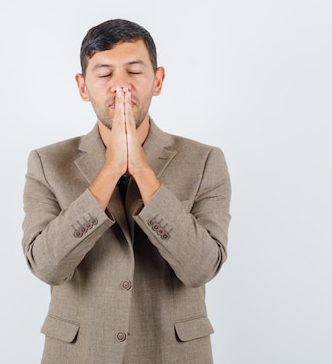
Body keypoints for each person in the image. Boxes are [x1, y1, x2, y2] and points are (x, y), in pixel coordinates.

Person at [21, 19, 231, 364]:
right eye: (104, 74)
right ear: (83, 86)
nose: (121, 86)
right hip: (79, 353)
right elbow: (46, 266)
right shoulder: (46, 162)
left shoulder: (205, 160)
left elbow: (201, 268)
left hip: (173, 352)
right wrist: (110, 171)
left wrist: (143, 171)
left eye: (134, 71)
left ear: (158, 80)